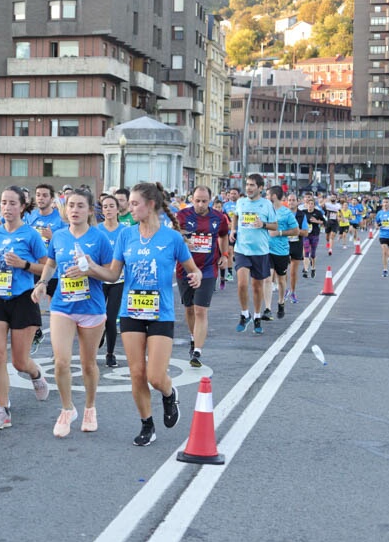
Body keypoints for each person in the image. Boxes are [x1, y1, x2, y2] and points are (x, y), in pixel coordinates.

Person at [83, 182, 201, 446]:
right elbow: (113, 274)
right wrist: (91, 268)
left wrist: (195, 277)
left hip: (161, 313)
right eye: (130, 203)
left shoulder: (171, 238)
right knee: (136, 373)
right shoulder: (126, 235)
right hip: (131, 311)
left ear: (151, 206)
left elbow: (193, 269)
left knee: (156, 376)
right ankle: (147, 424)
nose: (130, 207)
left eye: (135, 203)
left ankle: (169, 394)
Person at [32, 188, 113, 437]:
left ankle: (90, 408)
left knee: (88, 364)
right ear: (65, 210)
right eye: (71, 206)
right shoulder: (58, 236)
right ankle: (67, 409)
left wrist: (90, 269)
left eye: (80, 206)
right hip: (62, 305)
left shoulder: (99, 239)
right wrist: (42, 282)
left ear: (89, 211)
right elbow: (52, 263)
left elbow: (111, 273)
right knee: (61, 362)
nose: (75, 210)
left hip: (91, 307)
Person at [0, 186, 50, 430]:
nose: (7, 207)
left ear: (22, 207)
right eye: (3, 202)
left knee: (20, 361)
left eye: (12, 203)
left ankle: (36, 374)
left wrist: (24, 264)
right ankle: (3, 410)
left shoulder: (31, 235)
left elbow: (48, 268)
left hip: (22, 298)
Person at [175, 185, 229, 368]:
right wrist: (183, 240)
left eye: (204, 201)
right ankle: (193, 337)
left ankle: (197, 351)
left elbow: (223, 236)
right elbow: (173, 236)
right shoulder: (182, 216)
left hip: (207, 269)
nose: (200, 204)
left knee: (200, 310)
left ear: (210, 200)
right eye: (197, 200)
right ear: (192, 199)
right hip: (185, 268)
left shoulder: (219, 218)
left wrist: (224, 255)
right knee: (189, 309)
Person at [231, 174, 277, 335]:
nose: (249, 188)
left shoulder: (266, 205)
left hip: (260, 251)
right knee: (242, 284)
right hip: (242, 249)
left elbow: (275, 225)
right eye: (247, 185)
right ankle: (245, 314)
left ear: (260, 188)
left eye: (252, 185)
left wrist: (262, 224)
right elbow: (236, 215)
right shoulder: (241, 202)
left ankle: (257, 316)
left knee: (256, 287)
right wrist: (233, 230)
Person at [25, 183, 67, 354]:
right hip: (36, 268)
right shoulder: (31, 217)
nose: (41, 198)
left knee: (54, 308)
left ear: (51, 198)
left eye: (44, 195)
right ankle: (36, 331)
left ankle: (60, 344)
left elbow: (68, 240)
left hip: (54, 270)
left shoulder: (60, 219)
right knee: (30, 301)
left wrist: (53, 236)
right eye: (38, 195)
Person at [97, 195, 125, 368]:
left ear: (117, 209)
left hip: (118, 280)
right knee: (99, 316)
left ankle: (110, 353)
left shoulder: (124, 231)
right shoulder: (97, 230)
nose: (107, 209)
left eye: (111, 206)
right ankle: (99, 335)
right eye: (104, 206)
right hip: (99, 279)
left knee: (111, 318)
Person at [265, 186, 299, 320]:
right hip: (266, 250)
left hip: (282, 251)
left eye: (267, 195)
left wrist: (279, 233)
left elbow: (296, 231)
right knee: (267, 278)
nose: (266, 197)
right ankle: (267, 309)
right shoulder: (265, 211)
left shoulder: (286, 213)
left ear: (273, 196)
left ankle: (281, 302)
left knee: (281, 279)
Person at [296, 195, 325, 279]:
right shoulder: (303, 212)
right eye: (309, 204)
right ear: (307, 204)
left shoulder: (318, 212)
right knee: (306, 251)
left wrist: (316, 221)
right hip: (306, 235)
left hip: (315, 234)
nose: (310, 205)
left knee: (313, 253)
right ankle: (305, 270)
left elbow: (324, 222)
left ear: (314, 205)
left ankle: (313, 268)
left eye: (312, 204)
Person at [285, 194, 306, 303]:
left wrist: (295, 231)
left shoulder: (302, 215)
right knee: (282, 271)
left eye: (293, 200)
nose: (291, 202)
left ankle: (293, 292)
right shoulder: (283, 213)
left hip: (297, 244)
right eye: (289, 200)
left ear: (298, 202)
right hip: (283, 244)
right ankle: (284, 291)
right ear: (287, 201)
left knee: (293, 272)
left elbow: (306, 232)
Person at [376, 197, 389, 277]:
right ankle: (385, 269)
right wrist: (377, 226)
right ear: (382, 204)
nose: (385, 204)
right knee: (384, 252)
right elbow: (376, 223)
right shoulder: (379, 213)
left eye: (387, 202)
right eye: (384, 202)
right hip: (383, 234)